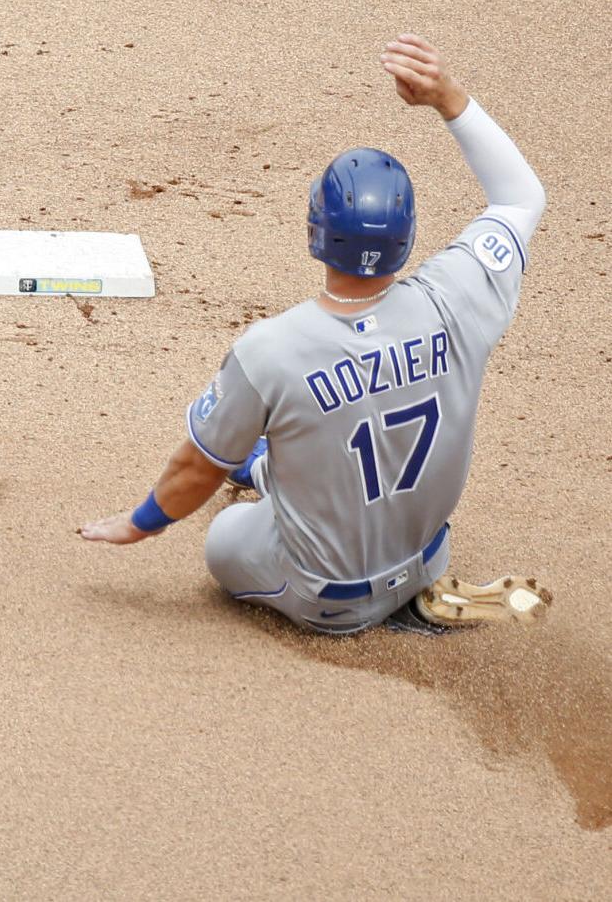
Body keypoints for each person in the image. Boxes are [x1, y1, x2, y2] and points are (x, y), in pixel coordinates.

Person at [79, 34, 551, 636]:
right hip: (428, 553)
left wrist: (139, 523)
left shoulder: (271, 349)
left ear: (315, 233)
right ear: (406, 238)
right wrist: (447, 96)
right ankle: (408, 584)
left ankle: (274, 487)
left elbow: (194, 470)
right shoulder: (457, 293)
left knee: (227, 533)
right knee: (303, 441)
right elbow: (521, 197)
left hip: (331, 599)